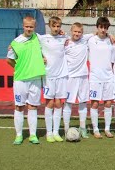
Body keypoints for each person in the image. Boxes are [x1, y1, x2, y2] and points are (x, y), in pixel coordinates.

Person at [7, 15, 46, 145]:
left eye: (31, 27)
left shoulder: (38, 38)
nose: (29, 29)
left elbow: (53, 37)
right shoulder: (15, 42)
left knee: (33, 106)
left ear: (35, 27)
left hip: (35, 78)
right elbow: (9, 60)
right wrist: (19, 67)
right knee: (19, 106)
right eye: (27, 26)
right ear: (23, 26)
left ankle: (33, 135)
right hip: (21, 79)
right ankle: (18, 135)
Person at [38, 16, 69, 142]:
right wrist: (41, 57)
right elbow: (30, 44)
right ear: (49, 26)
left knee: (58, 103)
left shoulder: (64, 38)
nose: (56, 29)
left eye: (58, 26)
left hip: (61, 76)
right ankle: (49, 132)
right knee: (49, 103)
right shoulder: (43, 38)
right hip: (49, 76)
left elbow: (78, 36)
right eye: (54, 26)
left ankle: (56, 132)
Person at [63, 22, 93, 139]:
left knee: (83, 102)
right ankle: (66, 128)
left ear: (82, 33)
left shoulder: (85, 40)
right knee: (68, 103)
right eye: (75, 31)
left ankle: (83, 127)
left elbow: (98, 33)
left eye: (79, 32)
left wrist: (110, 36)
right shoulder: (65, 42)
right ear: (71, 31)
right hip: (70, 77)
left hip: (83, 76)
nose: (77, 34)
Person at [88, 16, 115, 139]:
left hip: (108, 77)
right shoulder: (91, 40)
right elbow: (75, 36)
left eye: (105, 28)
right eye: (101, 27)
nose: (103, 30)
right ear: (97, 27)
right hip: (95, 77)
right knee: (94, 104)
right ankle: (95, 129)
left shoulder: (111, 41)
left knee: (108, 103)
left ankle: (107, 129)